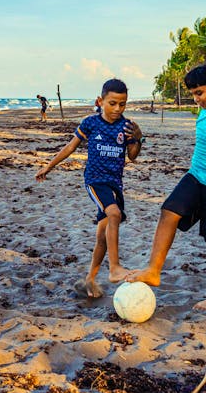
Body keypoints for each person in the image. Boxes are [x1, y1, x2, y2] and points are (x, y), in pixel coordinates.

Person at [127, 64, 206, 312]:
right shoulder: (204, 112)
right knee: (168, 212)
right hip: (196, 177)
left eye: (200, 93)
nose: (196, 99)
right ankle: (153, 270)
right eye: (193, 94)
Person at [35, 78, 143, 297]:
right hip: (95, 180)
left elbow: (132, 156)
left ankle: (89, 280)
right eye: (112, 103)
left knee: (102, 236)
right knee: (113, 214)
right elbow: (70, 147)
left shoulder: (127, 126)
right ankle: (114, 268)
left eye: (122, 104)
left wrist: (138, 139)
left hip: (115, 185)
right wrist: (49, 166)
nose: (117, 108)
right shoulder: (90, 123)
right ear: (100, 101)